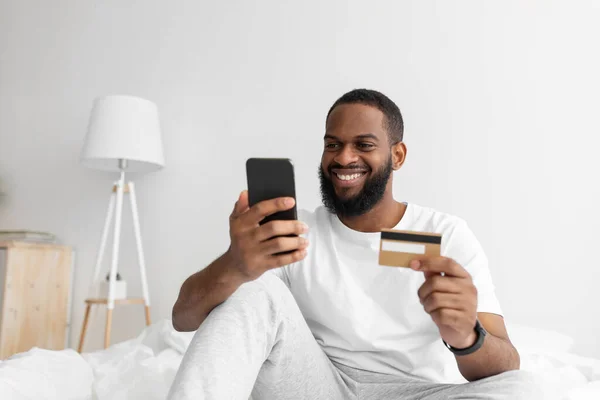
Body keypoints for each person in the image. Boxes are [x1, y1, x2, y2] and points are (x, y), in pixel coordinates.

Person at [168, 89, 543, 399]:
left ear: (397, 155)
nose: (344, 158)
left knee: (523, 389)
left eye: (363, 144)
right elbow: (182, 318)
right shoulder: (294, 232)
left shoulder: (446, 233)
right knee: (254, 286)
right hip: (319, 385)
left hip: (417, 392)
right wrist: (235, 265)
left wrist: (466, 336)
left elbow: (504, 363)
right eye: (333, 144)